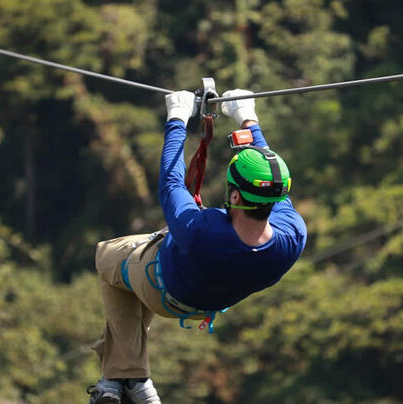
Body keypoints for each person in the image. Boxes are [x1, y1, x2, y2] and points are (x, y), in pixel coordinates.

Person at [87, 89, 307, 404]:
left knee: (108, 255)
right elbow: (271, 179)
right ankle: (128, 381)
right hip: (206, 305)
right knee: (135, 269)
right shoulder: (292, 236)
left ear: (233, 196)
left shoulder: (201, 231)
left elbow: (172, 184)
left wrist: (177, 119)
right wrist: (247, 117)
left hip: (162, 288)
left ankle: (126, 376)